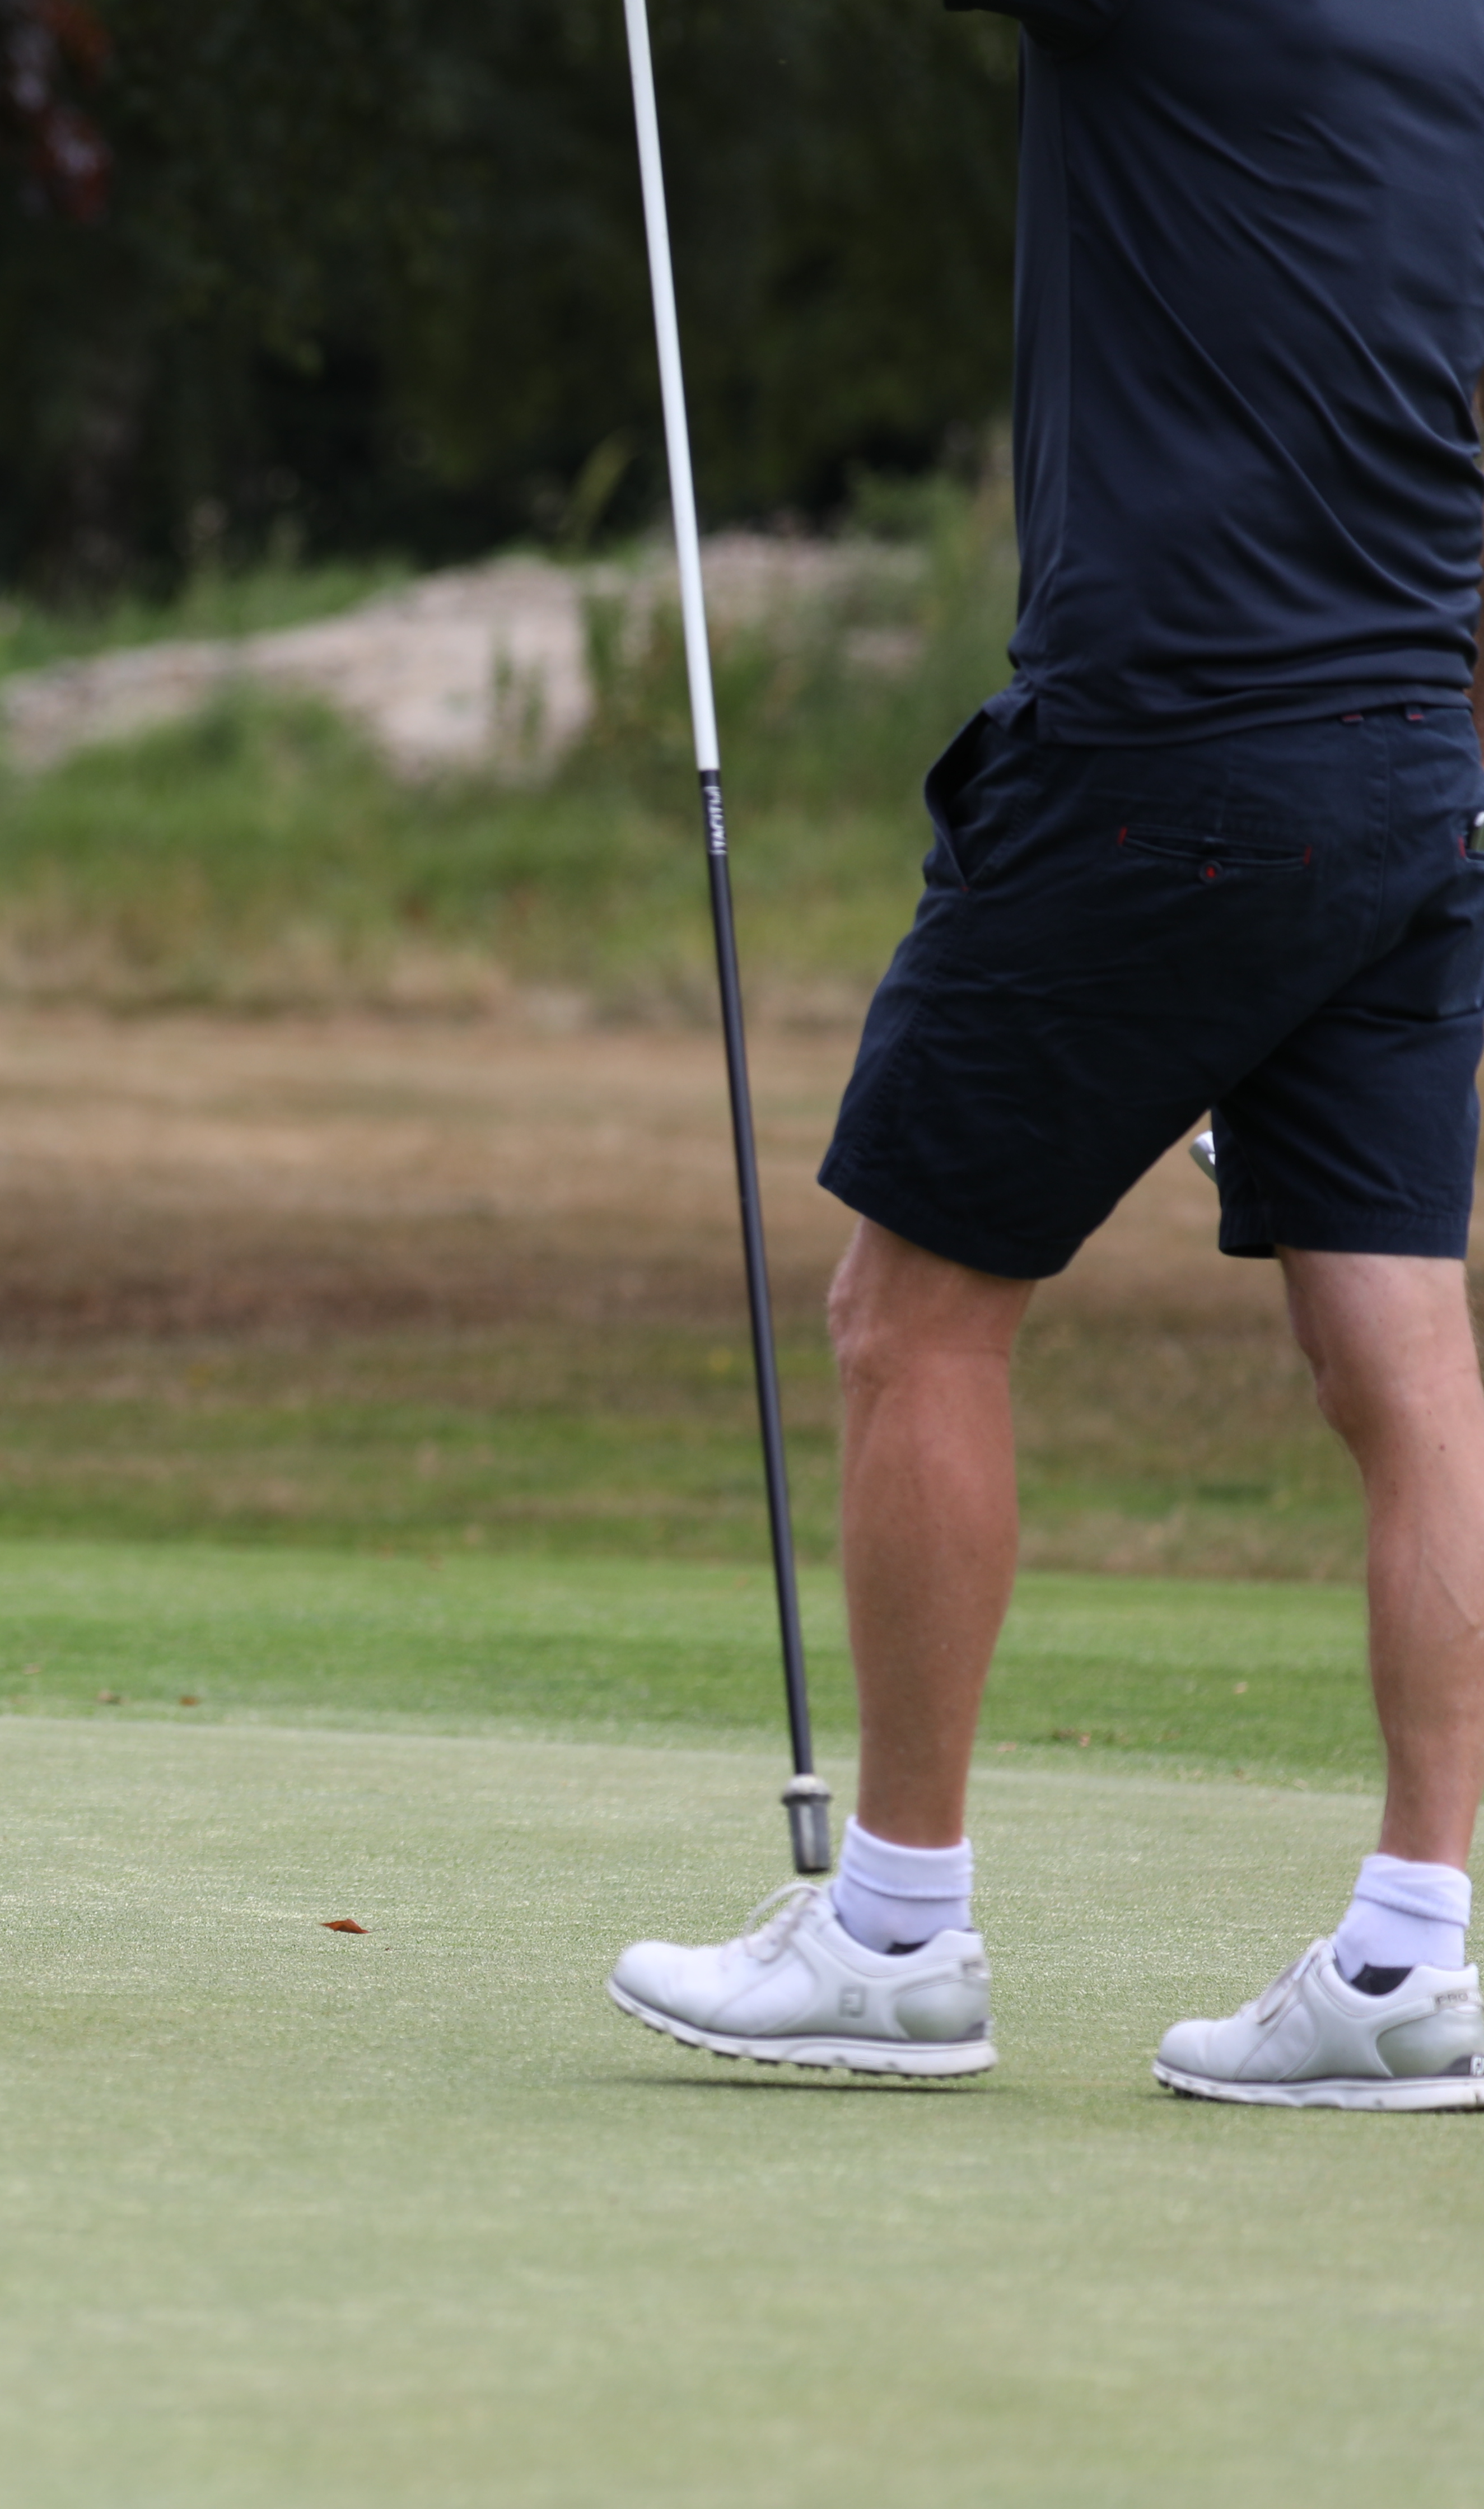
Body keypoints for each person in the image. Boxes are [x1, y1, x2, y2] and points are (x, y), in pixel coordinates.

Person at [608, 0, 1484, 2105]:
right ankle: (1421, 1956)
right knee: (1406, 1355)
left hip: (1162, 746)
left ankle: (896, 1932)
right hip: (1416, 756)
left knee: (916, 1314)